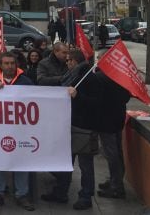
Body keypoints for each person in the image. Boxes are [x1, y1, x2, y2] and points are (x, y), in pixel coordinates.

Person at [41, 50, 101, 210]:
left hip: (85, 128)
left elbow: (96, 104)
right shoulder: (72, 76)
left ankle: (86, 196)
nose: (66, 63)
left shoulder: (89, 78)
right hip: (69, 125)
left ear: (75, 61)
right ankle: (61, 192)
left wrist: (77, 96)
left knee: (85, 165)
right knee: (64, 162)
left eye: (68, 60)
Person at [0, 52, 35, 211]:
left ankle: (22, 194)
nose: (10, 66)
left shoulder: (26, 81)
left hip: (20, 130)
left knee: (20, 161)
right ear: (0, 65)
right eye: (6, 63)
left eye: (12, 63)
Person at [96, 69, 130, 199]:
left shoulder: (100, 78)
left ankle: (116, 187)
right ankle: (115, 180)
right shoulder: (121, 78)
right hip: (118, 119)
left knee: (111, 154)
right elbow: (126, 97)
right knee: (117, 152)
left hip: (106, 121)